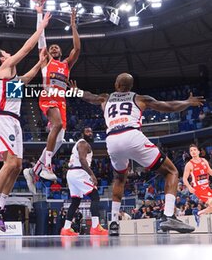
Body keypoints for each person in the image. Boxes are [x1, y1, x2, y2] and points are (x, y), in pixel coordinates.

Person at [70, 73, 204, 235]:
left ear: (116, 85)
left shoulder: (105, 98)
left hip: (112, 139)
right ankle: (168, 215)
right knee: (171, 171)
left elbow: (89, 97)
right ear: (130, 87)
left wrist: (75, 91)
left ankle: (113, 222)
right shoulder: (140, 98)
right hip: (132, 135)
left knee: (119, 178)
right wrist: (187, 102)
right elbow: (168, 106)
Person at [0, 8, 51, 232]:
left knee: (18, 166)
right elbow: (26, 48)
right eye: (6, 51)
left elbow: (26, 79)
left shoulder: (11, 77)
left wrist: (41, 64)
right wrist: (40, 24)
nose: (8, 52)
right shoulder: (4, 68)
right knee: (11, 163)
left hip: (14, 121)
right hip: (3, 119)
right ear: (2, 57)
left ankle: (0, 208)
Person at [24, 6, 80, 189]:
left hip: (61, 102)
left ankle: (34, 170)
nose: (54, 48)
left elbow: (77, 48)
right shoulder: (46, 61)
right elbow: (41, 38)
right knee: (56, 126)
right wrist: (39, 14)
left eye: (57, 47)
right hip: (48, 96)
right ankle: (47, 165)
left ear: (61, 52)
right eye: (51, 47)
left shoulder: (66, 65)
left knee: (60, 140)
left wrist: (73, 25)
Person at [60, 127, 108, 236]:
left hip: (72, 173)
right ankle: (95, 227)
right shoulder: (83, 143)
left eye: (91, 131)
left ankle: (66, 228)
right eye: (87, 131)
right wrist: (92, 174)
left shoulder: (80, 144)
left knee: (76, 201)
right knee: (95, 196)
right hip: (79, 173)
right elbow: (82, 160)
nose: (90, 133)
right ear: (82, 134)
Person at [183, 143, 212, 226]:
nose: (193, 152)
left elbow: (210, 171)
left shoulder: (204, 161)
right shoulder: (189, 164)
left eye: (194, 150)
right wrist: (189, 187)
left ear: (198, 152)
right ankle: (198, 213)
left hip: (207, 187)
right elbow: (184, 178)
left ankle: (198, 213)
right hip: (198, 188)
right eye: (191, 151)